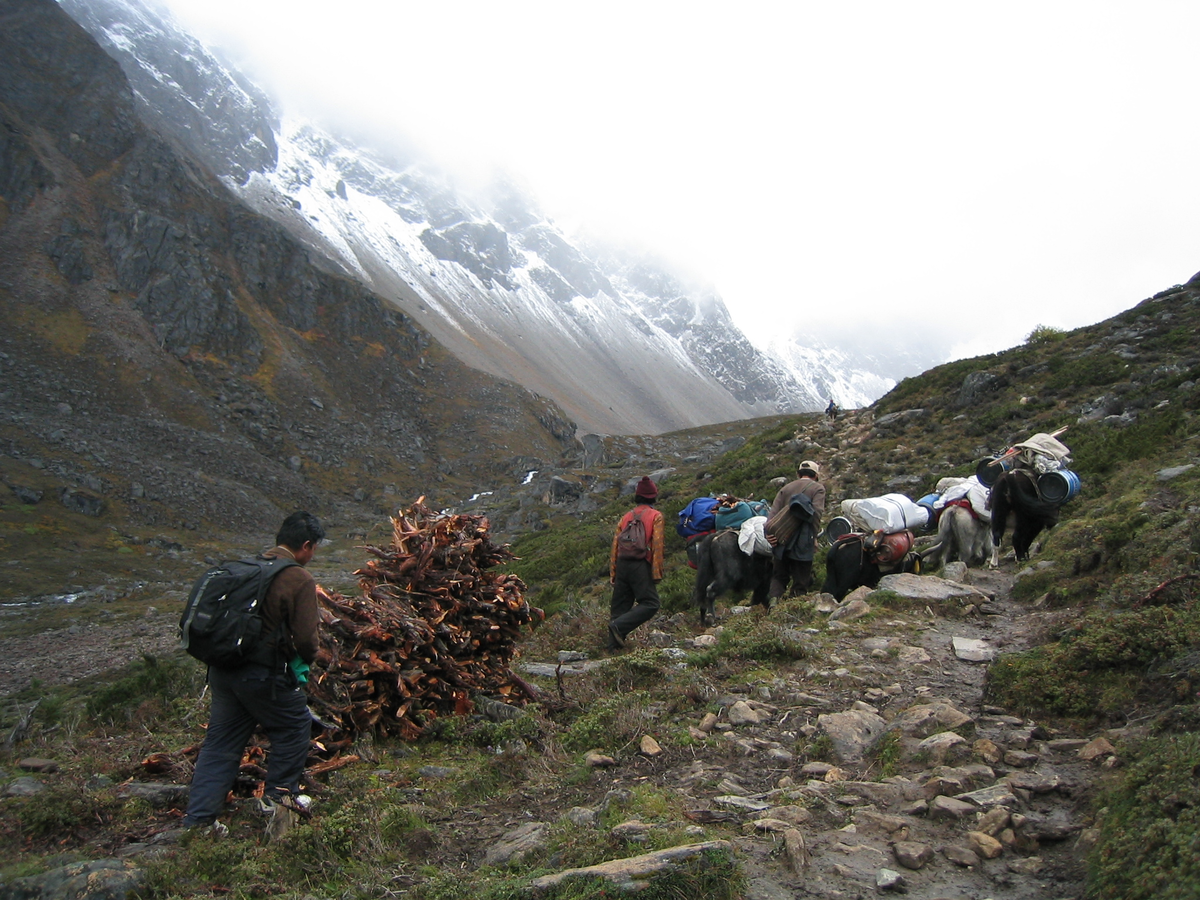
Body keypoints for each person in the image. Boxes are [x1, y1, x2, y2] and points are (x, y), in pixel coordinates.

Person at [181, 510, 325, 837]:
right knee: (294, 726)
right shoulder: (297, 577)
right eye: (314, 548)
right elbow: (306, 639)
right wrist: (305, 662)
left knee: (220, 742)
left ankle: (199, 822)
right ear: (306, 545)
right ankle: (279, 803)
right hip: (261, 674)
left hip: (223, 671)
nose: (312, 554)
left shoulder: (246, 568)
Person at [607, 476, 665, 650]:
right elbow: (657, 546)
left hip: (622, 564)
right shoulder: (656, 516)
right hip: (640, 564)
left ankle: (612, 650)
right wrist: (656, 573)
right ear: (653, 496)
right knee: (651, 603)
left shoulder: (626, 517)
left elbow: (615, 546)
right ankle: (618, 627)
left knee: (619, 608)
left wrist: (613, 572)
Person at [764, 460, 826, 602]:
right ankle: (794, 607)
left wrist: (769, 535)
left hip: (781, 538)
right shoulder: (818, 488)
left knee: (779, 577)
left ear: (798, 474)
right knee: (801, 579)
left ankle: (774, 603)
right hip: (803, 539)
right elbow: (816, 513)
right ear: (816, 475)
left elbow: (772, 515)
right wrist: (814, 537)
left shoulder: (786, 488)